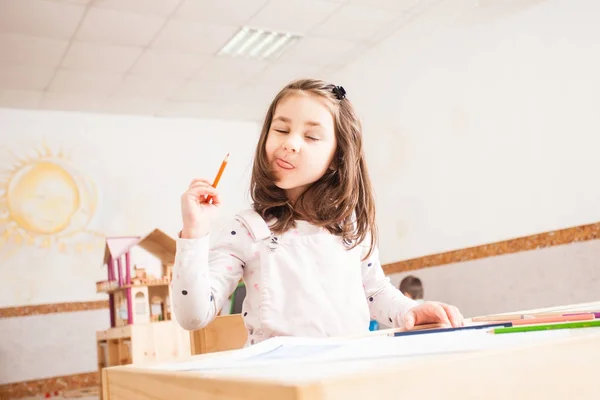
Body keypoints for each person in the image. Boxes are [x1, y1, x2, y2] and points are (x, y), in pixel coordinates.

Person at [172, 79, 463, 346]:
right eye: (281, 129)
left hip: (344, 375)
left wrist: (411, 311)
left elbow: (374, 291)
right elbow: (193, 316)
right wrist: (194, 233)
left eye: (311, 136)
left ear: (337, 158)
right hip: (276, 382)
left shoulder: (351, 226)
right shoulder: (247, 229)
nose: (290, 143)